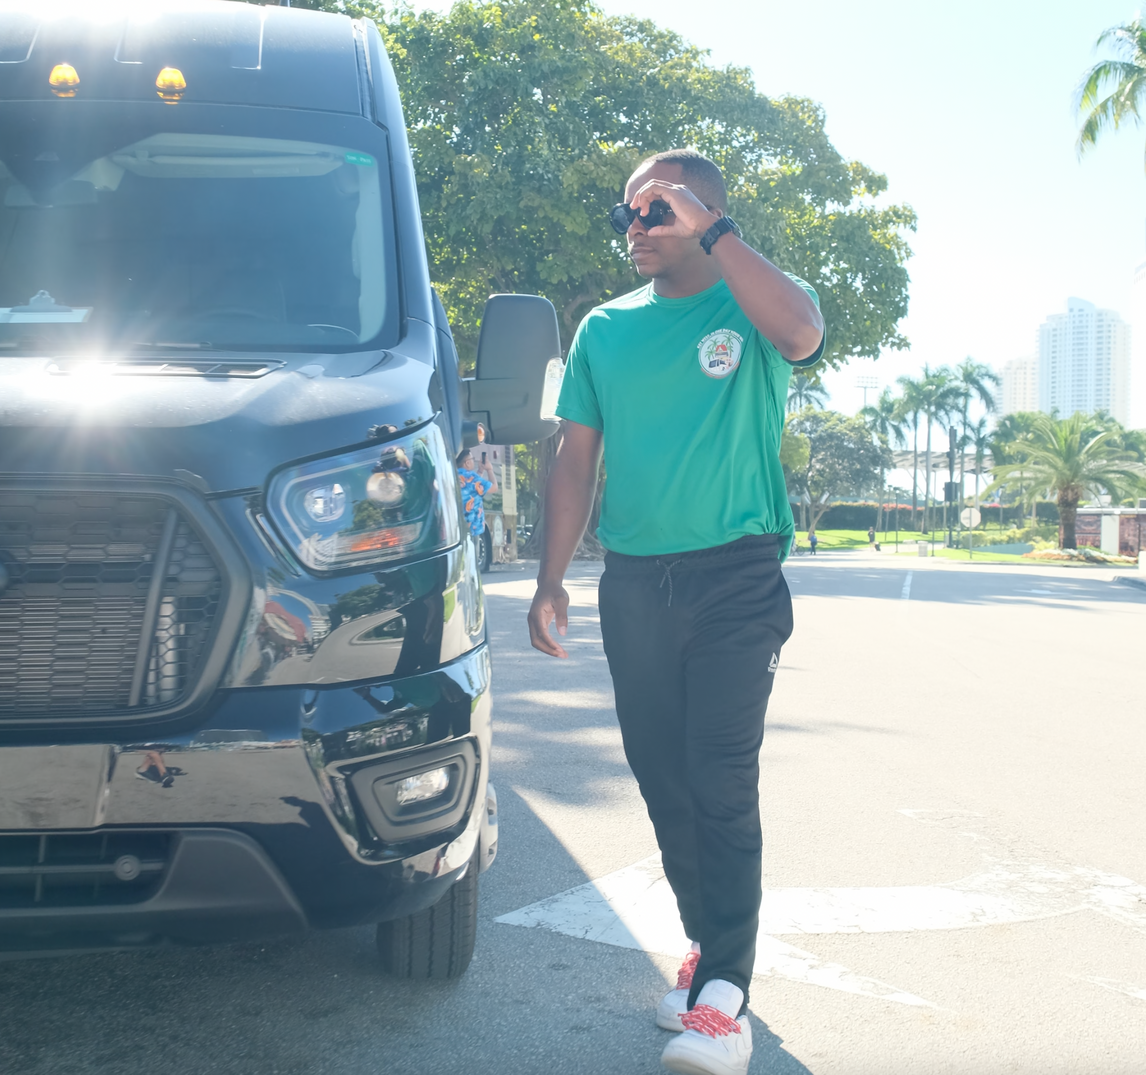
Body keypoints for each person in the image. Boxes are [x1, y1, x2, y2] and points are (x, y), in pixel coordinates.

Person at [526, 147, 825, 1075]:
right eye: (627, 214)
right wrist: (550, 578)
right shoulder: (603, 331)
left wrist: (718, 233)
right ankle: (709, 953)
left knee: (719, 775)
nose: (634, 229)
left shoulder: (752, 299)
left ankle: (725, 999)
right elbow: (575, 459)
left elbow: (806, 334)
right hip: (635, 584)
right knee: (664, 781)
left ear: (702, 211)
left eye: (654, 211)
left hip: (736, 576)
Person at [456, 448, 494, 572]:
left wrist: (480, 471)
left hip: (458, 527)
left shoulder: (454, 475)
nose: (474, 461)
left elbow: (473, 489)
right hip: (473, 527)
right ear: (467, 463)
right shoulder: (472, 477)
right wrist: (489, 469)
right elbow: (493, 488)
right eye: (472, 459)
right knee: (473, 565)